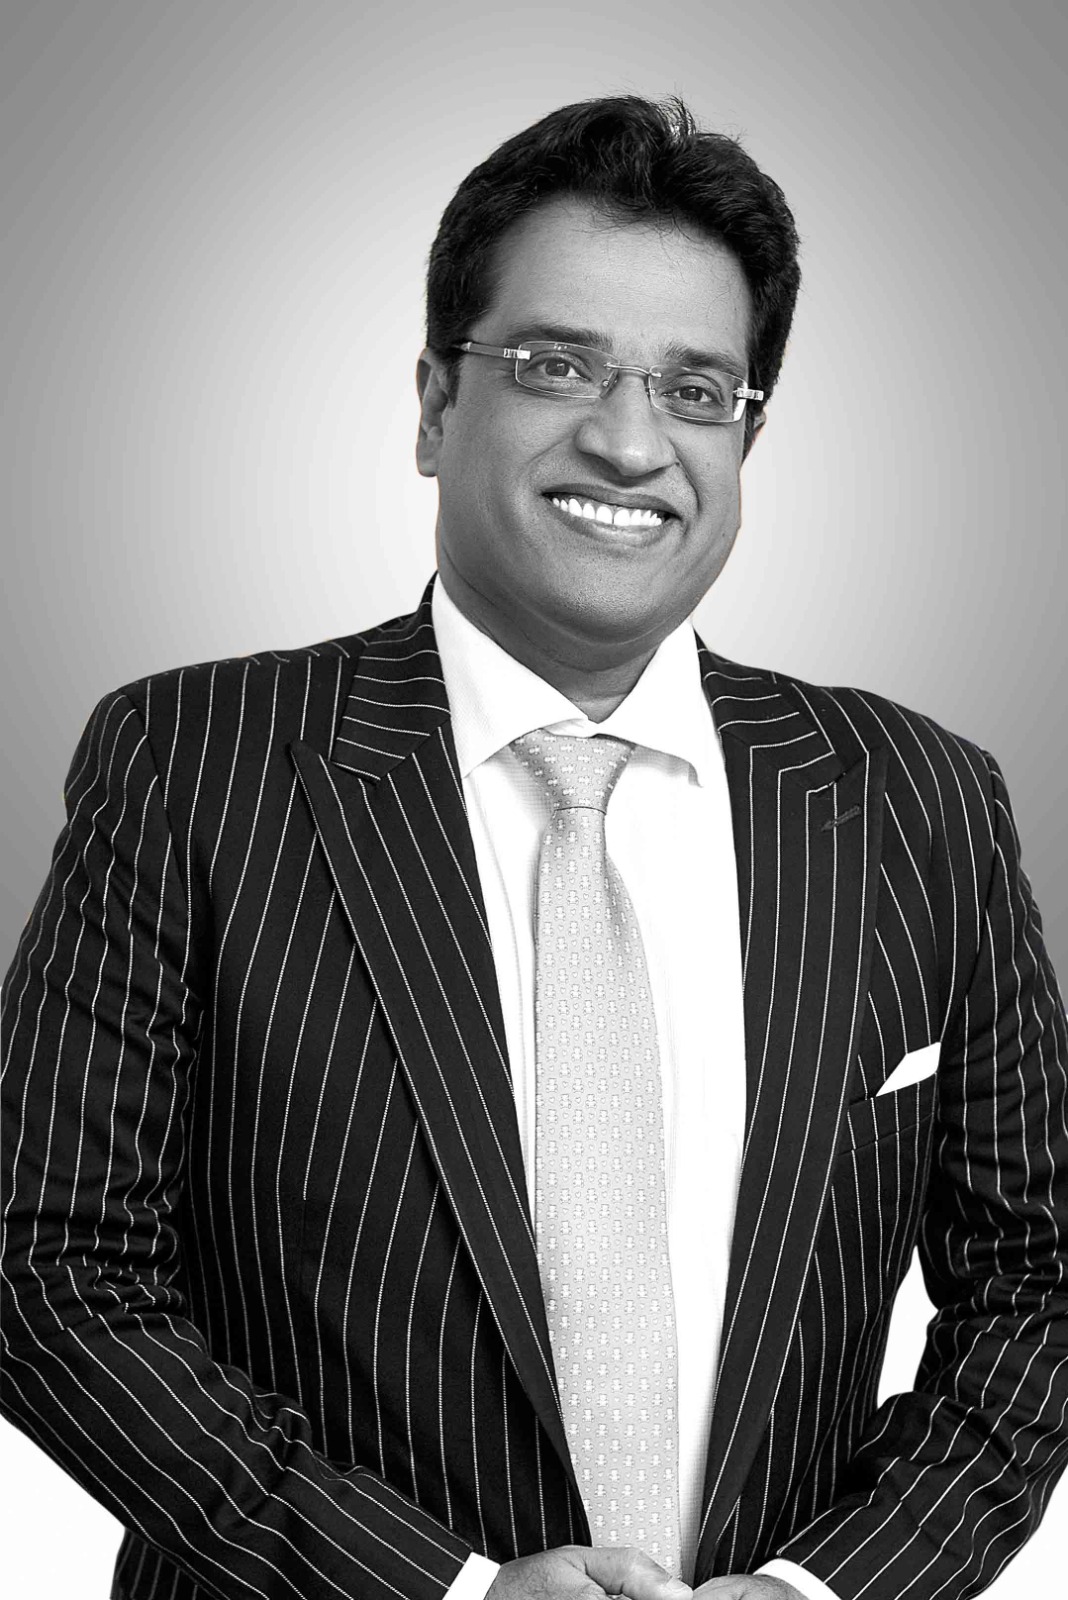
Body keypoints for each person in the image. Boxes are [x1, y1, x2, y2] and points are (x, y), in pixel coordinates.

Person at [2, 94, 1066, 1600]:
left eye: (696, 390)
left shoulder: (919, 802)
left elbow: (1038, 1282)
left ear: (747, 435)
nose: (630, 443)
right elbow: (47, 1264)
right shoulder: (195, 763)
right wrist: (435, 1589)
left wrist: (831, 1588)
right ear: (436, 405)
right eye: (558, 365)